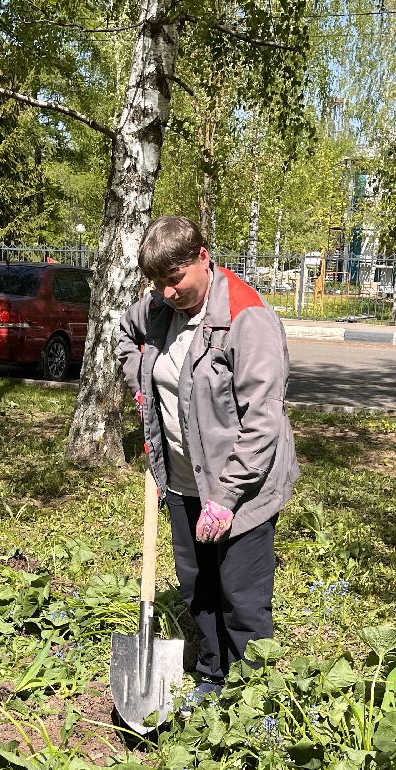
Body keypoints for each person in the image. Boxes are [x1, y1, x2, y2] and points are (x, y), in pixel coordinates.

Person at [118, 215, 299, 711]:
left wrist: (225, 498)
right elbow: (122, 335)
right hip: (180, 480)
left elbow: (262, 420)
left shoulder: (246, 317)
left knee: (241, 597)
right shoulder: (158, 309)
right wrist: (141, 369)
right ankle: (213, 678)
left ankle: (258, 701)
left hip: (243, 489)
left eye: (175, 279)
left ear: (203, 257)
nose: (167, 292)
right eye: (157, 283)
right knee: (198, 586)